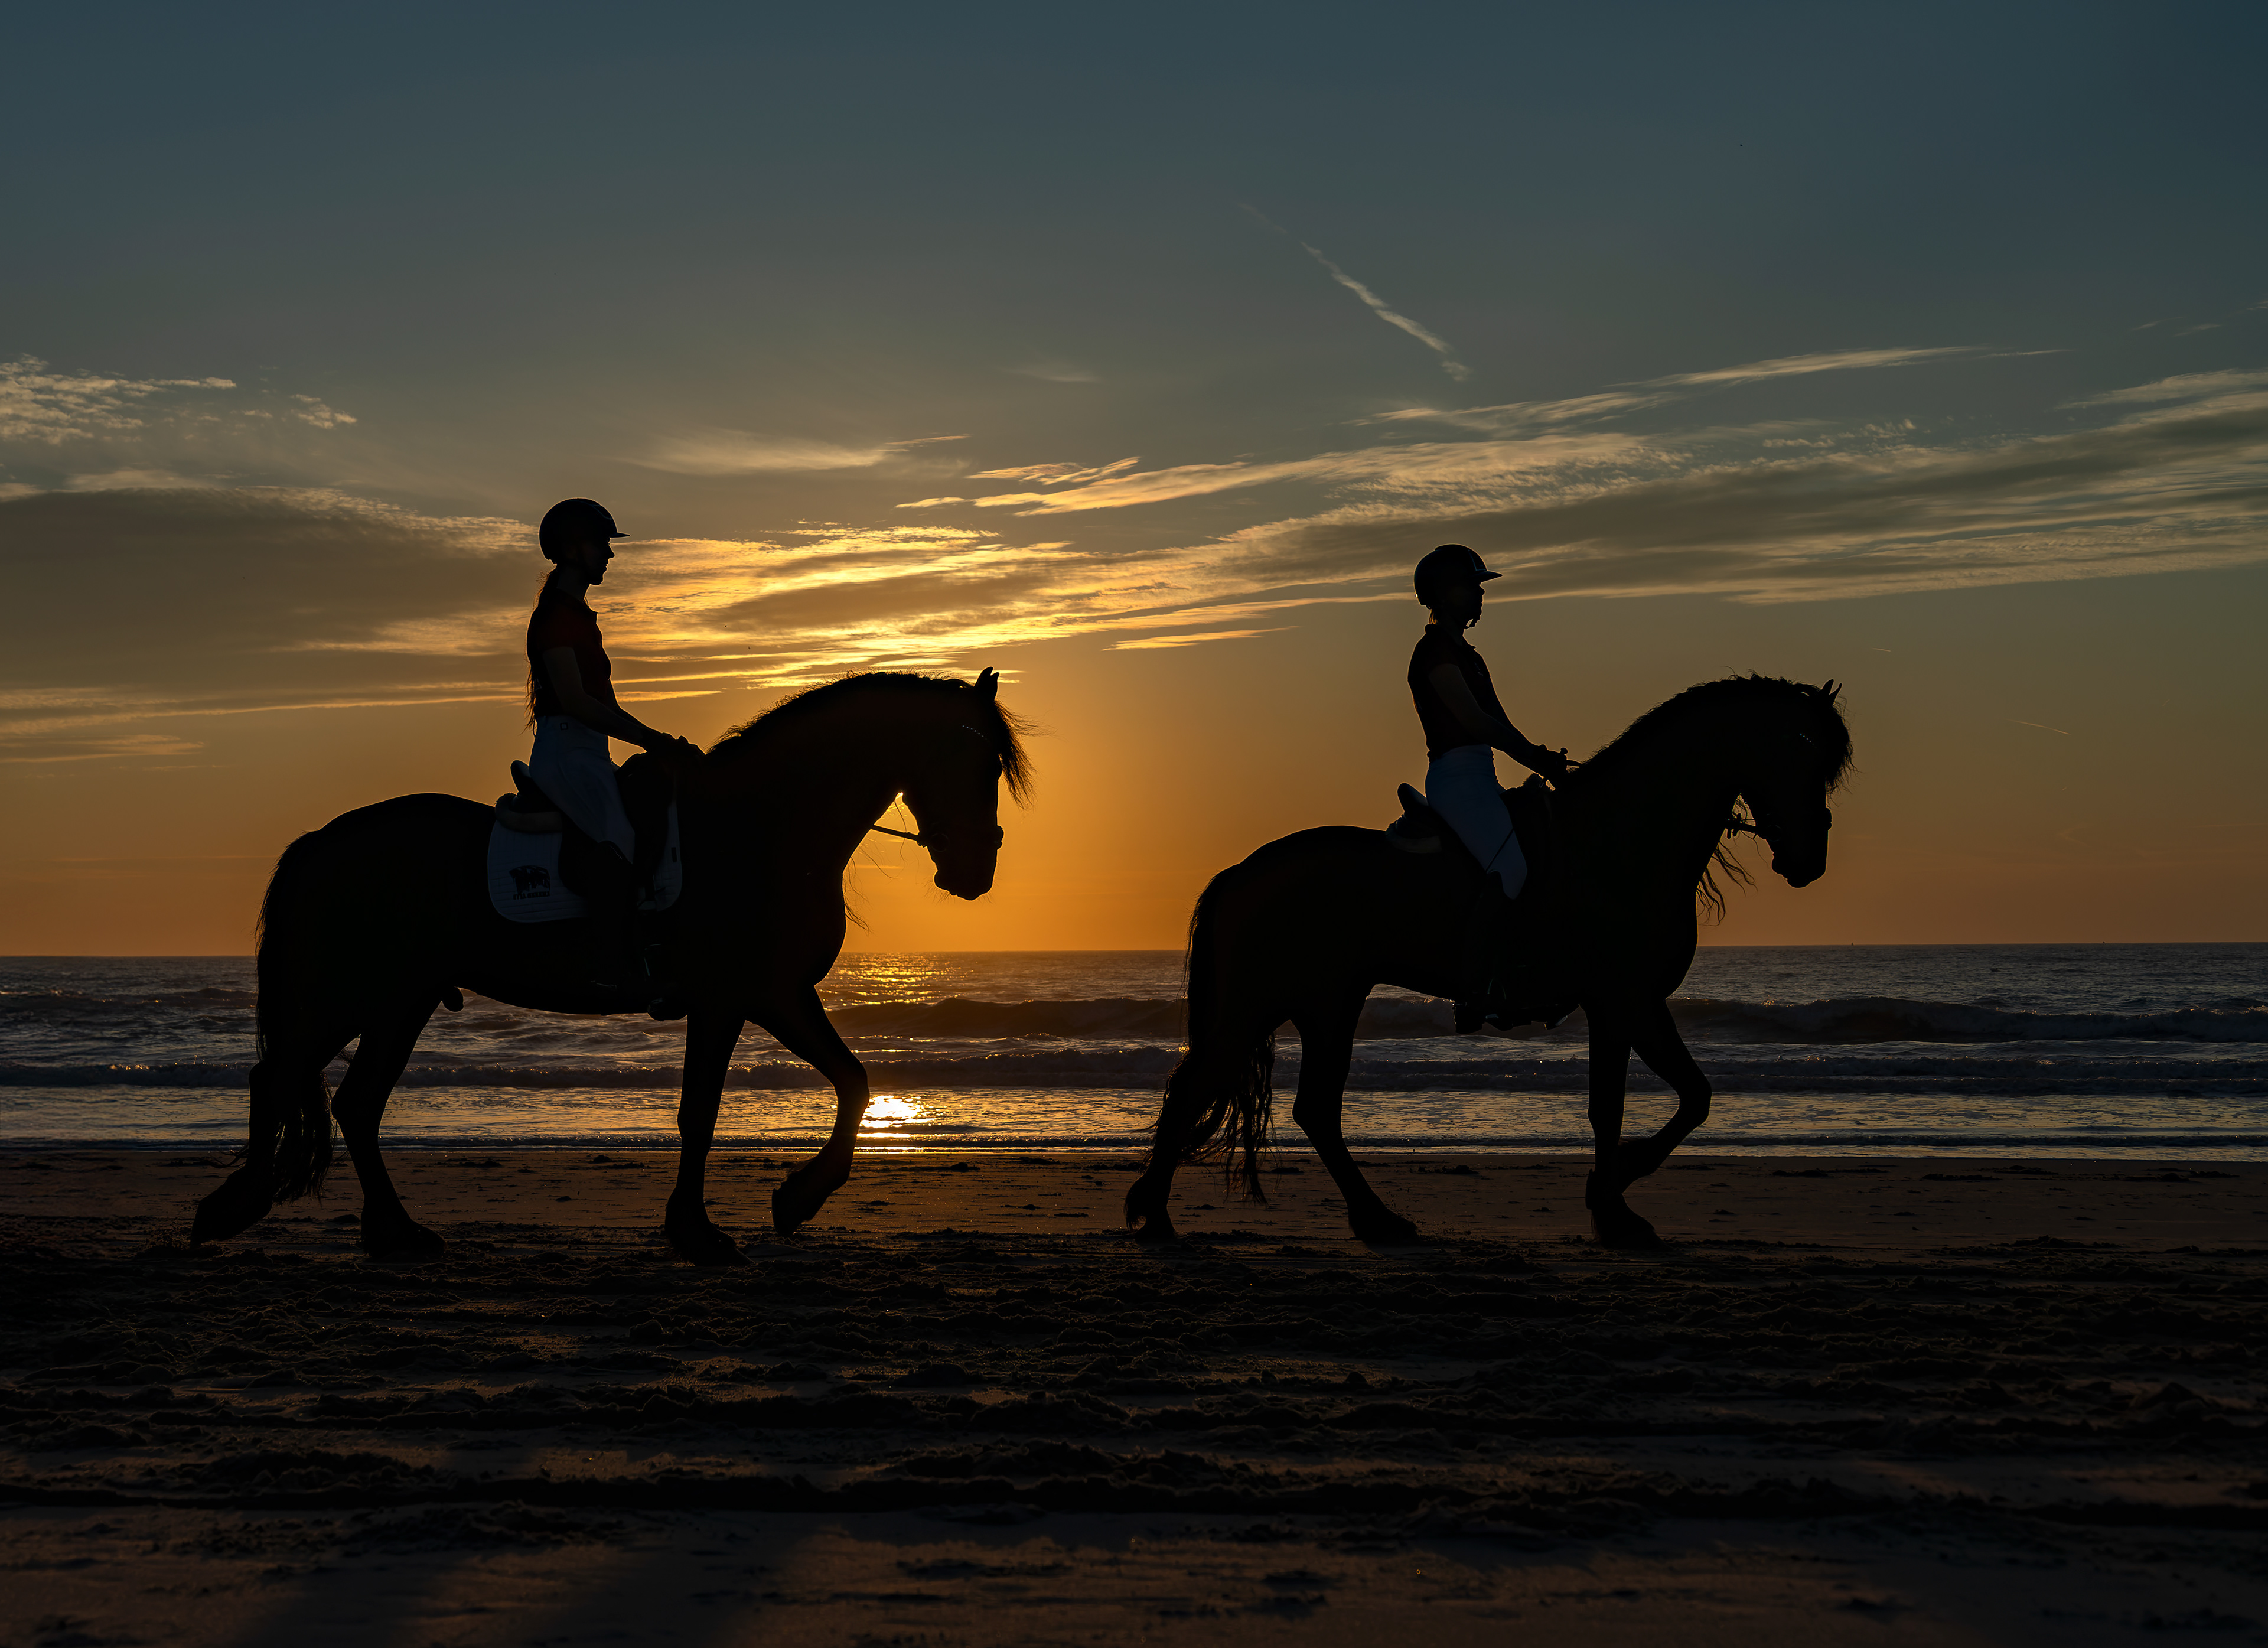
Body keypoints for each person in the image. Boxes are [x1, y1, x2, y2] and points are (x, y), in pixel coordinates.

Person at [526, 498, 700, 994]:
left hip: (591, 752)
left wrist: (657, 744)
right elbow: (576, 702)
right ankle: (609, 965)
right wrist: (651, 739)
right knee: (618, 837)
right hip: (565, 754)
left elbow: (606, 709)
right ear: (573, 548)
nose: (609, 554)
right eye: (602, 544)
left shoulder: (581, 616)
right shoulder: (557, 617)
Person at [1407, 543, 1569, 1030]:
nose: (1480, 595)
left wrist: (1543, 759)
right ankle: (1475, 991)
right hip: (1456, 779)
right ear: (1443, 593)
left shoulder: (1471, 657)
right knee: (1512, 868)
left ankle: (1523, 974)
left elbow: (1502, 723)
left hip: (1484, 775)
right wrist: (1534, 757)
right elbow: (1477, 722)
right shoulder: (1433, 652)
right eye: (1471, 586)